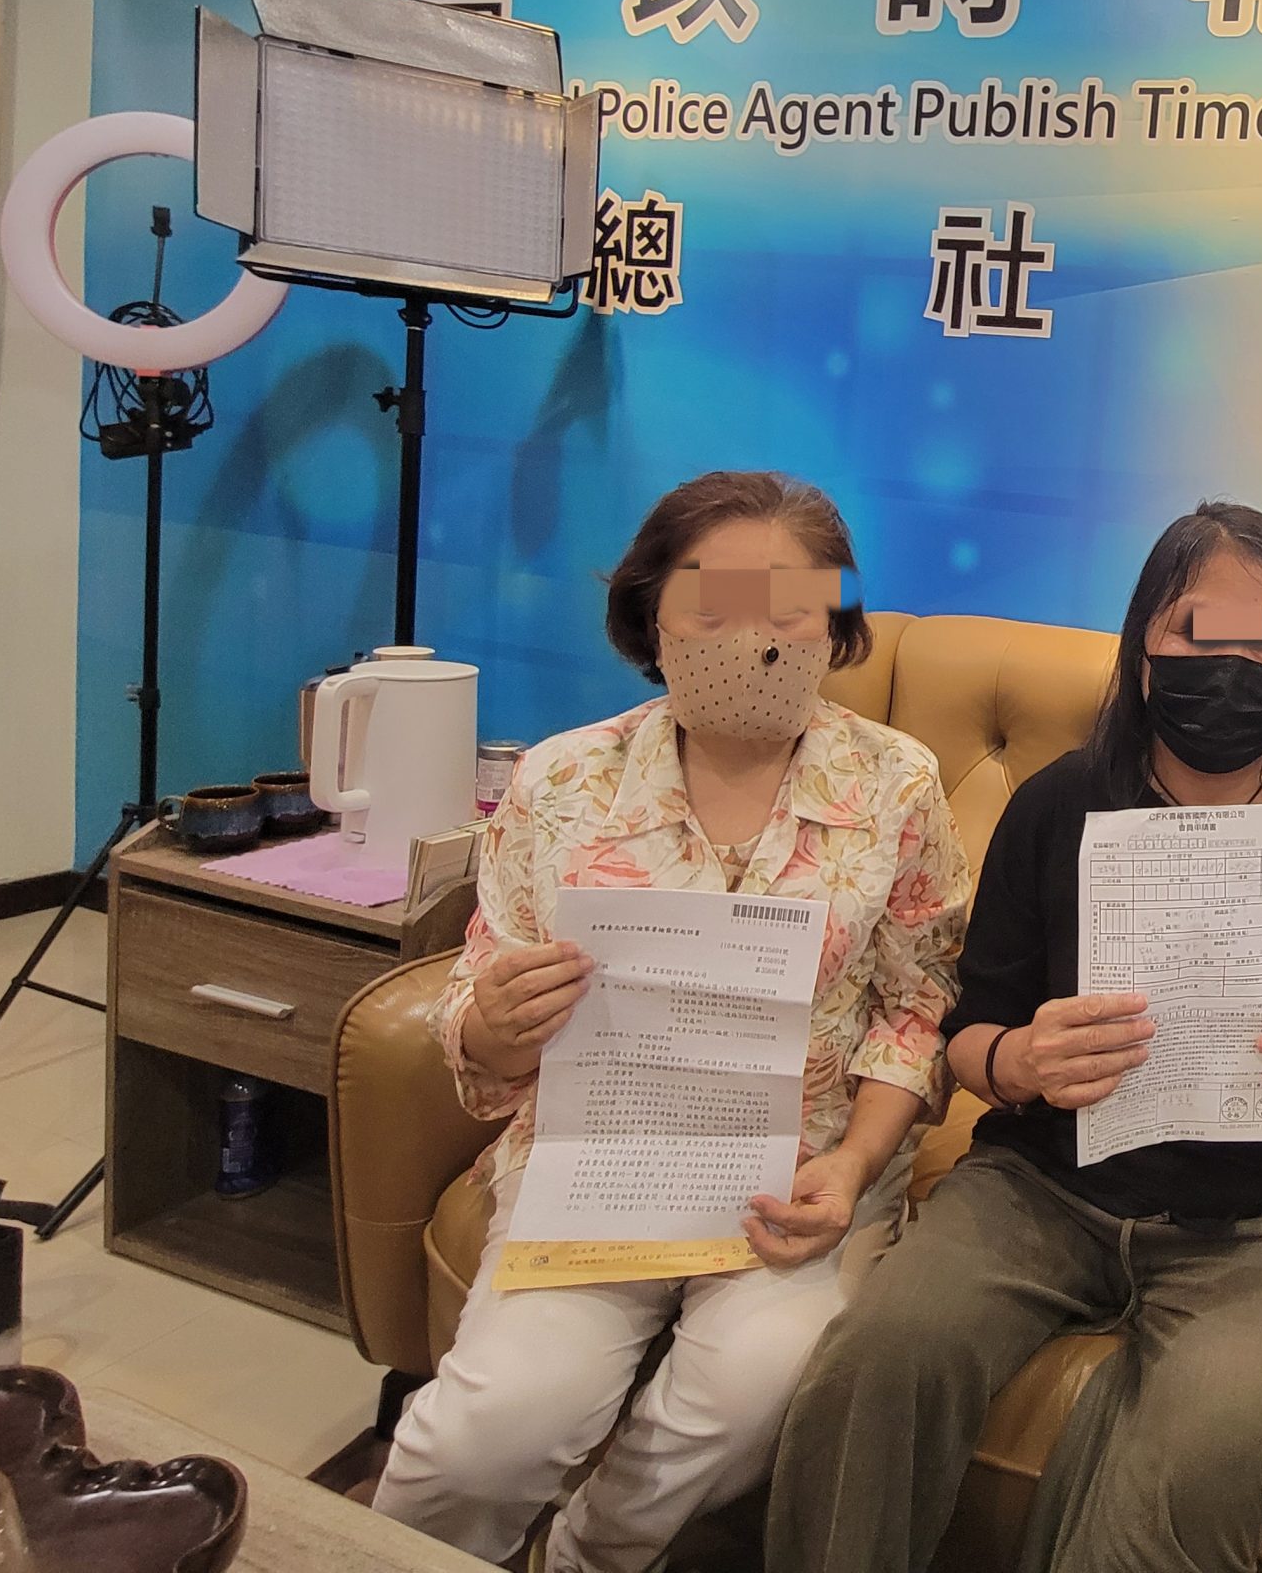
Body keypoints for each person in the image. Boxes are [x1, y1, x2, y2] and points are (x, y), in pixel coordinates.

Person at [768, 500, 1262, 1573]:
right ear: (1142, 649)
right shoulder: (1058, 805)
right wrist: (1017, 1061)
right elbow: (967, 1029)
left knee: (1200, 1455)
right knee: (880, 1360)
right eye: (1198, 630)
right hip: (1043, 1189)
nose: (1234, 663)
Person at [371, 471, 970, 1573]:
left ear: (837, 623)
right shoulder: (562, 780)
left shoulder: (895, 783)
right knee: (488, 1433)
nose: (755, 640)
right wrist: (497, 1024)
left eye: (790, 608)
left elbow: (919, 999)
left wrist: (853, 1167)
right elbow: (480, 994)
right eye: (714, 605)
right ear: (650, 613)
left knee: (752, 1394)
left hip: (796, 1176)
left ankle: (590, 1556)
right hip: (599, 1164)